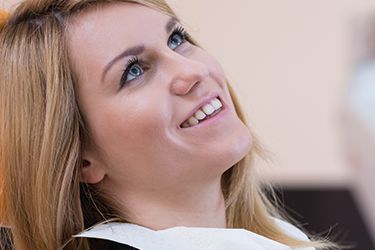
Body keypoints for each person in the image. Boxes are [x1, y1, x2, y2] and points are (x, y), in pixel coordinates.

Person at [0, 0, 336, 249]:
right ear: (80, 158)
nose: (193, 72)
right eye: (134, 70)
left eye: (176, 39)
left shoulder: (283, 239)